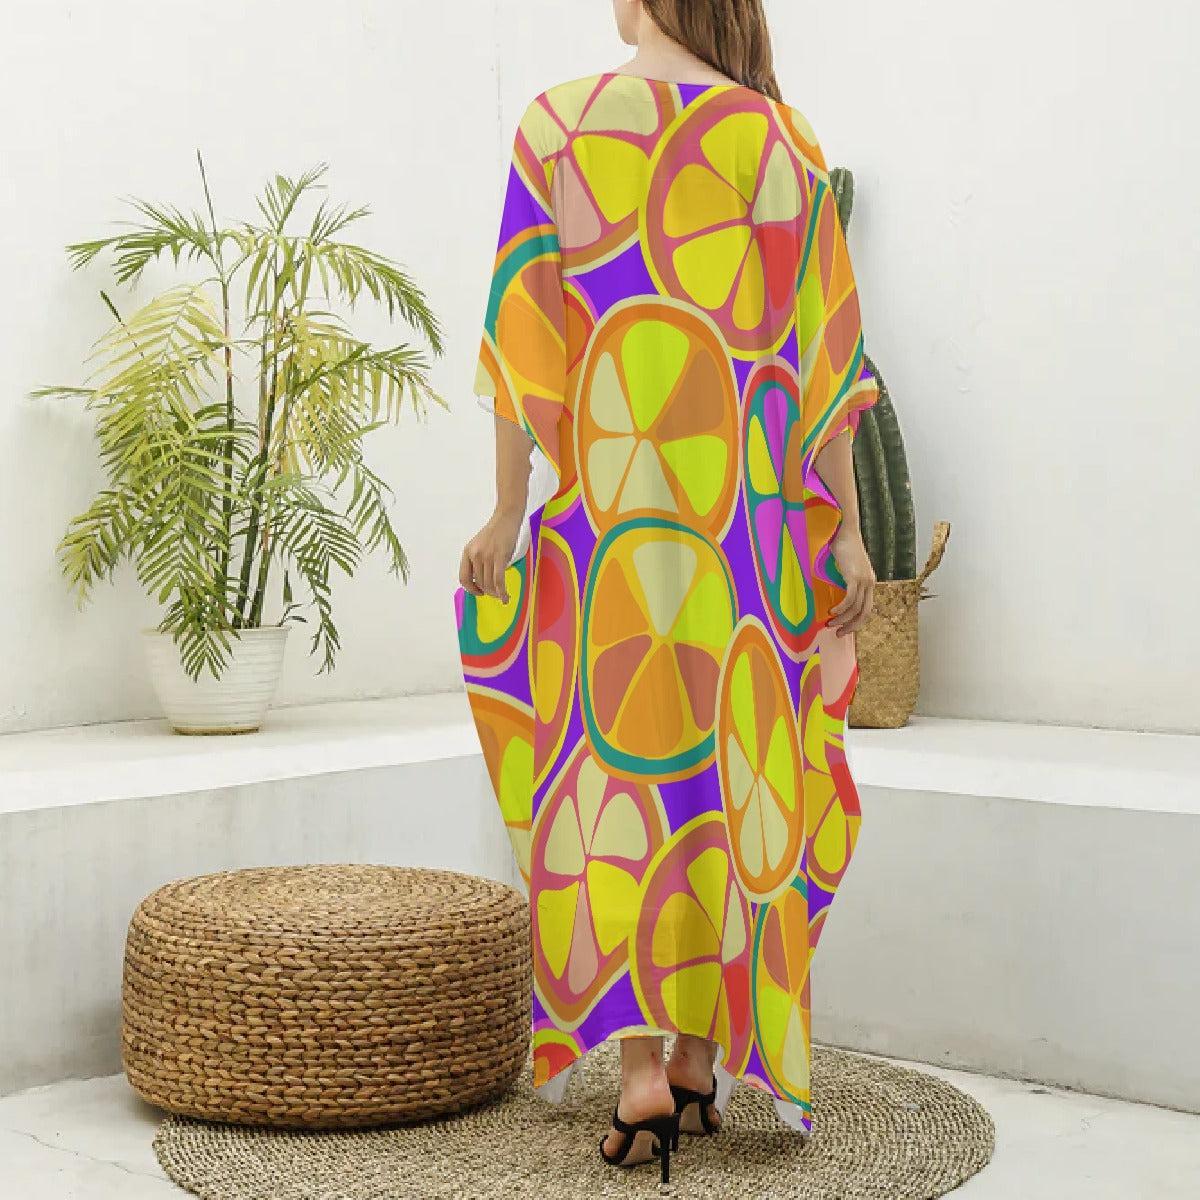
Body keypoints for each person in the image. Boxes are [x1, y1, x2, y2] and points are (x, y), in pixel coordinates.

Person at [455, 0, 878, 1184]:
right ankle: (699, 1062)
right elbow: (830, 362)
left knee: (617, 776)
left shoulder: (556, 128)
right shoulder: (785, 143)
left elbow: (522, 343)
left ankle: (642, 1073)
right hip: (744, 538)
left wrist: (506, 510)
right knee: (734, 777)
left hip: (612, 536)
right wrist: (846, 534)